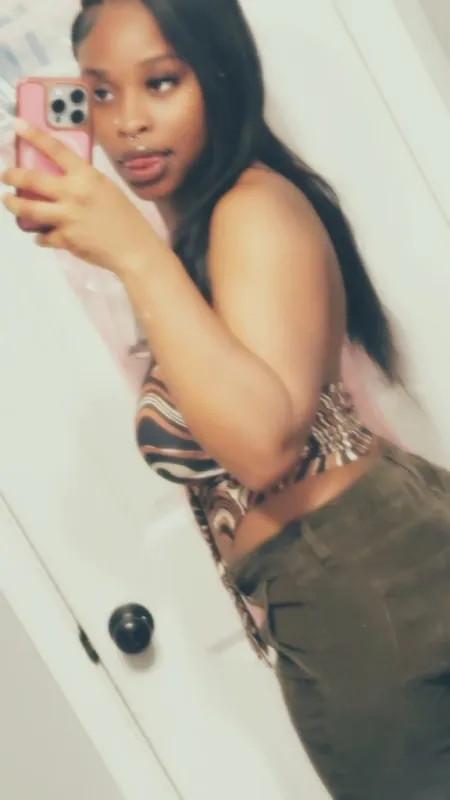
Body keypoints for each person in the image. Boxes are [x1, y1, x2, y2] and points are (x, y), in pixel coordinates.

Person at [2, 0, 450, 796]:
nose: (128, 122)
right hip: (347, 576)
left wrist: (133, 252)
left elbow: (264, 448)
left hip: (356, 579)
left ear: (220, 73)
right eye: (99, 92)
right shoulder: (209, 228)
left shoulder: (251, 208)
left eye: (161, 82)